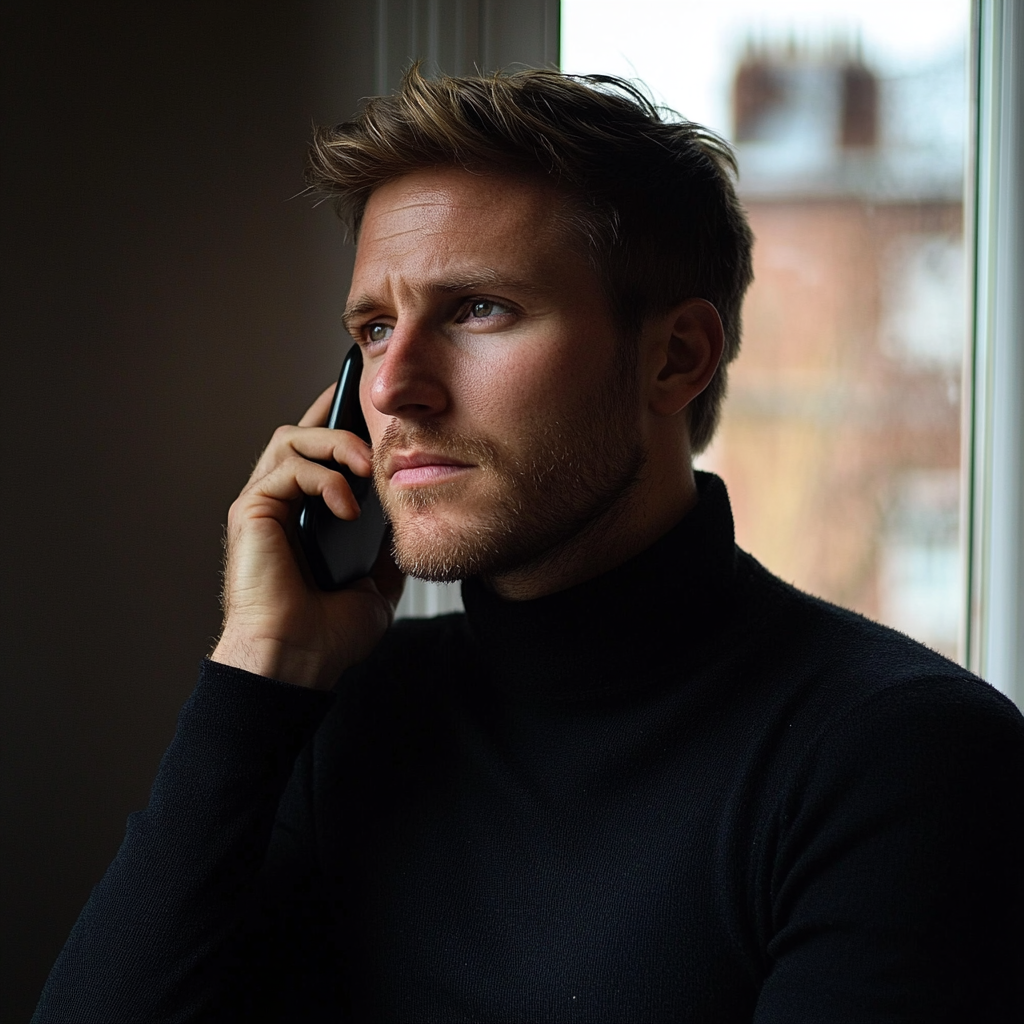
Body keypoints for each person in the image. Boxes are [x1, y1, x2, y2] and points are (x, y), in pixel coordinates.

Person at [34, 67, 1024, 1023]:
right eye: (374, 329)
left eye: (478, 309)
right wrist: (260, 666)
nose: (392, 388)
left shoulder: (901, 756)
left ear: (675, 355)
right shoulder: (344, 718)